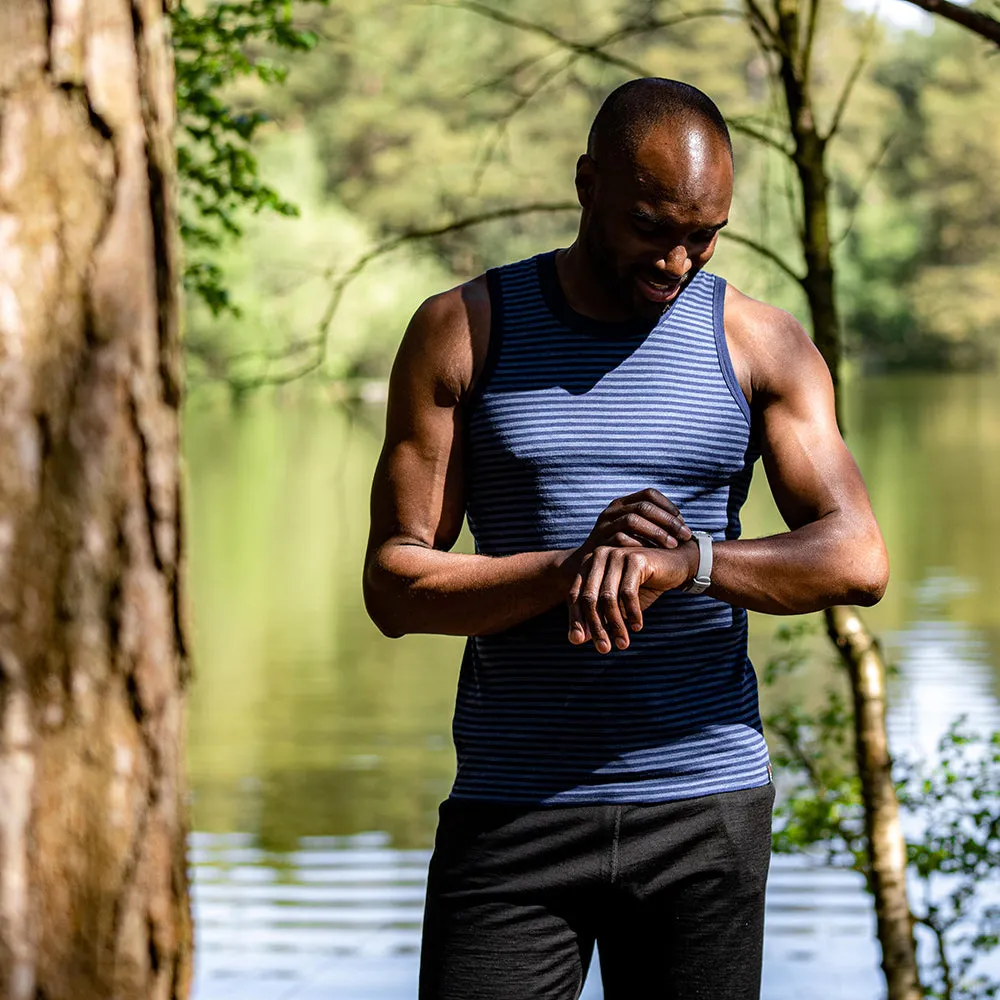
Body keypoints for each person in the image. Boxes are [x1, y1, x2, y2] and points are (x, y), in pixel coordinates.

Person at [363, 78, 888, 1000]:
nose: (679, 260)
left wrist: (686, 566)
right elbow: (395, 585)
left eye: (705, 232)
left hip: (704, 810)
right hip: (512, 809)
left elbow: (857, 557)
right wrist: (573, 568)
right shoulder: (464, 330)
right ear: (587, 185)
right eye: (653, 227)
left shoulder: (761, 344)